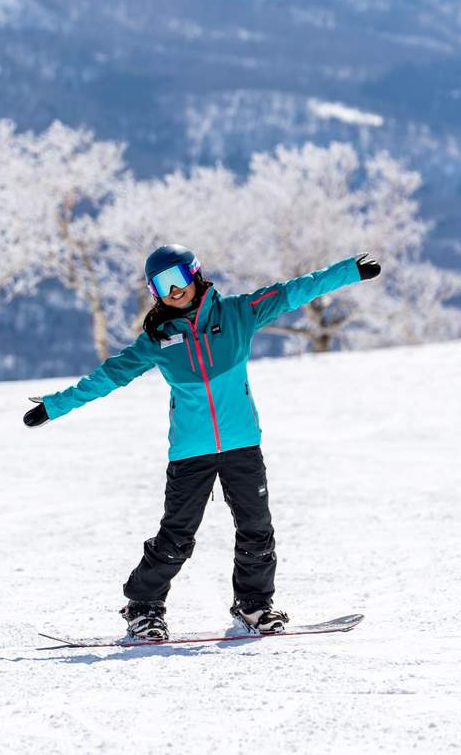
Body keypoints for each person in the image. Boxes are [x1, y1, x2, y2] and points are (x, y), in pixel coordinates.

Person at [23, 245, 380, 639]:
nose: (174, 290)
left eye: (179, 278)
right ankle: (143, 607)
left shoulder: (238, 313)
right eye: (162, 284)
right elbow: (108, 376)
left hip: (242, 444)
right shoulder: (156, 340)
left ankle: (255, 606)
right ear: (154, 291)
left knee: (256, 529)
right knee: (176, 536)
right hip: (191, 452)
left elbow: (294, 291)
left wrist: (348, 272)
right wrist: (55, 406)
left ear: (195, 275)